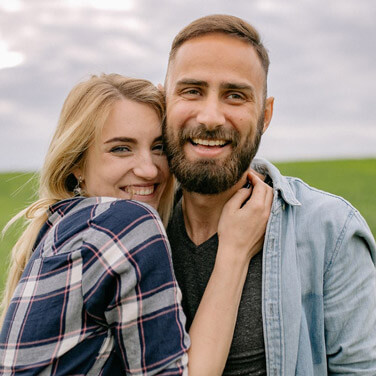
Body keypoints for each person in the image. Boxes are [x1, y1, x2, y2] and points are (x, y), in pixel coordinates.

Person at [0, 73, 273, 375]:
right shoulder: (127, 222)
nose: (148, 169)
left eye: (159, 148)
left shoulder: (59, 228)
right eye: (121, 148)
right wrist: (234, 252)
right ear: (76, 162)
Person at [162, 14, 376, 375]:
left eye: (235, 95)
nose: (211, 117)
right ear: (163, 102)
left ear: (265, 115)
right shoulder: (136, 226)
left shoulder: (330, 233)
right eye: (192, 90)